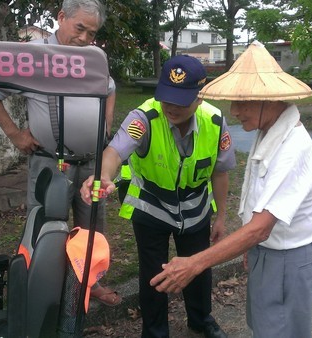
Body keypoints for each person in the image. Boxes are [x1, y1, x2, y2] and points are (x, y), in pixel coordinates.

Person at [150, 41, 312, 338]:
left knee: (279, 332)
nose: (235, 110)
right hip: (267, 253)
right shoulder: (270, 129)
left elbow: (261, 228)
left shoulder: (294, 148)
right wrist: (252, 248)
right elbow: (257, 216)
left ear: (271, 99)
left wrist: (195, 264)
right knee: (264, 328)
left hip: (285, 260)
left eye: (243, 100)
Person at [0, 0, 121, 306]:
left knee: (92, 227)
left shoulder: (93, 58)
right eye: (79, 28)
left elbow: (109, 87)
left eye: (90, 33)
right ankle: (44, 292)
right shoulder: (34, 57)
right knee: (45, 227)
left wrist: (106, 122)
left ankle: (89, 284)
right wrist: (15, 134)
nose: (83, 38)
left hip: (91, 163)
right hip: (50, 163)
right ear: (61, 17)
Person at [81, 55, 236, 338]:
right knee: (154, 272)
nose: (171, 107)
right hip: (151, 206)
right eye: (167, 97)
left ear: (199, 97)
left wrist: (222, 216)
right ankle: (154, 331)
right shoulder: (145, 117)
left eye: (180, 100)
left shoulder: (214, 121)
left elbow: (220, 172)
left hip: (196, 209)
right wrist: (103, 175)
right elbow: (115, 151)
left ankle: (201, 320)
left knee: (198, 267)